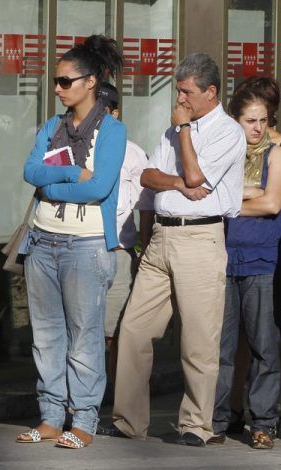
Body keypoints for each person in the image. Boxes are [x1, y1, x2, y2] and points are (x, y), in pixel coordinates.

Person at [99, 53, 246, 447]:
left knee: (198, 338)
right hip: (162, 237)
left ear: (210, 93)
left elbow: (198, 175)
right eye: (178, 91)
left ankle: (196, 424)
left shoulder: (227, 132)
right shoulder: (171, 130)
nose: (180, 99)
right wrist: (179, 183)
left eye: (187, 92)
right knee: (133, 330)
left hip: (200, 237)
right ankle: (128, 420)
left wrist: (183, 135)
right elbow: (148, 175)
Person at [15, 34, 125, 450]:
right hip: (42, 240)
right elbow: (31, 172)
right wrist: (65, 177)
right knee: (45, 335)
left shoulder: (112, 131)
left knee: (84, 337)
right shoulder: (52, 126)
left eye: (65, 81)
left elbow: (97, 188)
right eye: (56, 81)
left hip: (86, 244)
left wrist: (54, 184)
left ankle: (83, 420)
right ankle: (49, 415)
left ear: (91, 82)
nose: (58, 88)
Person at [209, 87, 281, 449]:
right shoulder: (224, 152)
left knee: (263, 345)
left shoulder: (278, 154)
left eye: (263, 120)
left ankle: (263, 423)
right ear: (235, 121)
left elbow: (273, 203)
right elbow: (208, 195)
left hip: (262, 257)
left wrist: (231, 198)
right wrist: (248, 193)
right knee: (221, 348)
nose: (258, 128)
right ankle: (215, 420)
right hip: (223, 256)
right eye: (249, 121)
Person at [96, 82, 154, 384]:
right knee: (82, 331)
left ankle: (113, 399)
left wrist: (145, 251)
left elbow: (146, 205)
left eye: (103, 110)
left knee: (115, 331)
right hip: (82, 248)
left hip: (119, 252)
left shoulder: (133, 153)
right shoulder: (77, 148)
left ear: (115, 113)